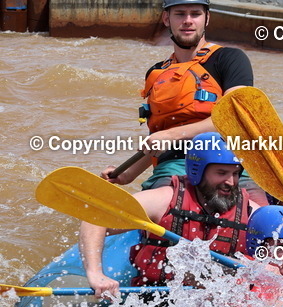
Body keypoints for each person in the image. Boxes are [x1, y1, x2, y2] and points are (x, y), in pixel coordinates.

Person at [81, 132, 262, 298]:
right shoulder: (164, 200)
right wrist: (96, 274)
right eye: (221, 173)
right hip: (158, 297)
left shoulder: (250, 211)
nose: (230, 182)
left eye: (236, 174)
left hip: (218, 303)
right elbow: (95, 218)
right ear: (197, 172)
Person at [102, 0, 255, 192]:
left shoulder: (230, 59)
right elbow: (158, 137)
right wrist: (128, 173)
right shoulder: (157, 73)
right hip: (173, 167)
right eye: (180, 14)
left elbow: (235, 118)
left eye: (195, 14)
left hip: (230, 164)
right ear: (167, 19)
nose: (188, 21)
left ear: (207, 18)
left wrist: (170, 135)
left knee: (265, 215)